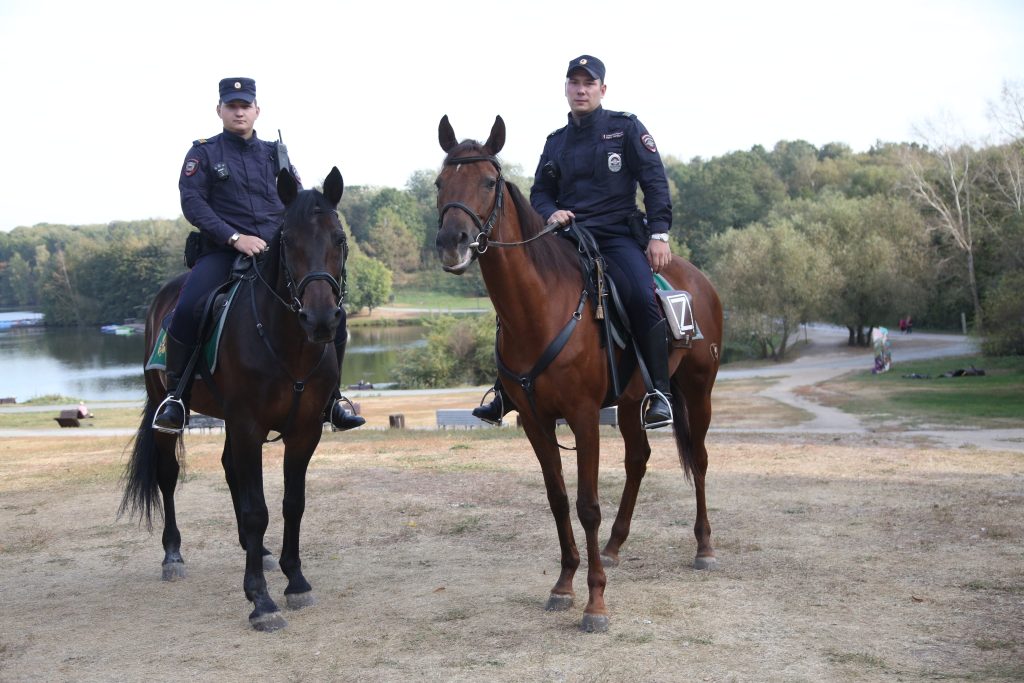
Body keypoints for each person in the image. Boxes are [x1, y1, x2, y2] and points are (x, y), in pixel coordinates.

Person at [472, 54, 674, 430]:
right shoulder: (556, 143)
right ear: (566, 89)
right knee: (521, 298)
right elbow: (541, 193)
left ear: (602, 89)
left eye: (588, 83)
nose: (581, 90)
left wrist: (659, 234)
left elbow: (654, 181)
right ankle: (505, 390)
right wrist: (551, 213)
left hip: (616, 236)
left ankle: (659, 392)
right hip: (566, 239)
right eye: (574, 83)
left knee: (642, 296)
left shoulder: (625, 128)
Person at [152, 77, 364, 434]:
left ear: (256, 111)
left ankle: (330, 398)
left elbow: (294, 202)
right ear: (219, 110)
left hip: (277, 252)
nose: (239, 111)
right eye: (232, 106)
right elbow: (193, 203)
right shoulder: (203, 154)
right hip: (223, 252)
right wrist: (235, 237)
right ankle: (176, 397)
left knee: (331, 311)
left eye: (245, 105)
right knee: (188, 309)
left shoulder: (275, 154)